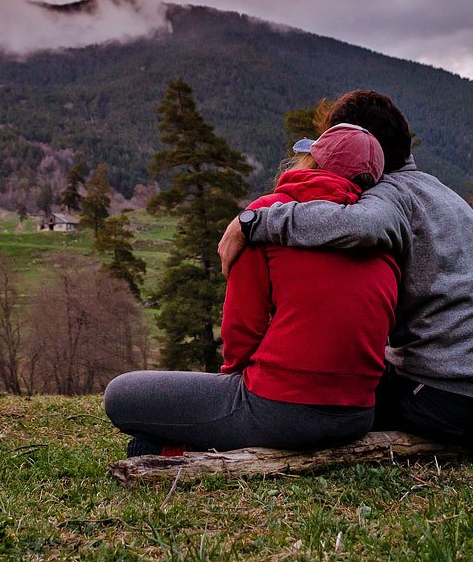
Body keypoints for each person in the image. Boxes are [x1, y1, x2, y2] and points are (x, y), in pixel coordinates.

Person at [219, 90, 473, 450]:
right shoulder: (439, 192)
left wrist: (254, 222)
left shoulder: (390, 194)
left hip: (452, 402)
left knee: (330, 399)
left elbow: (361, 226)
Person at [104, 124, 399, 455]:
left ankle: (183, 448)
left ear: (312, 163)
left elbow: (241, 328)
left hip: (278, 411)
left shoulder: (264, 217)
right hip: (356, 416)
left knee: (121, 395)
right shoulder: (383, 235)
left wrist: (233, 393)